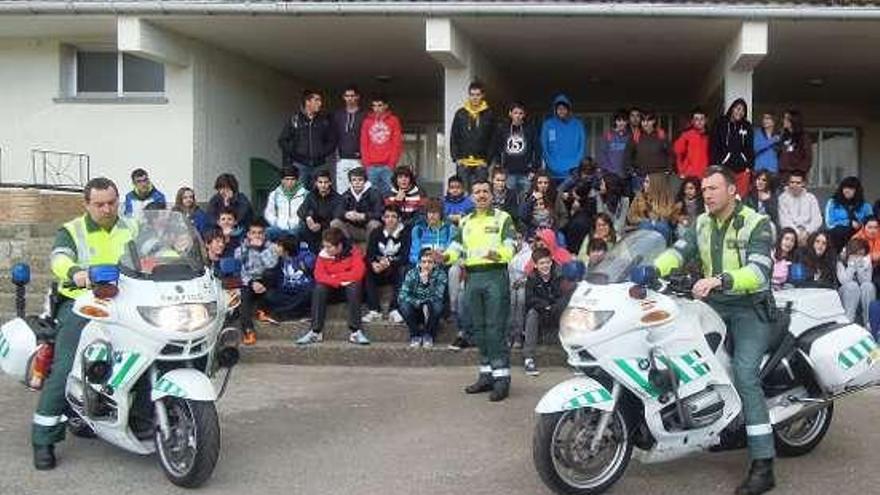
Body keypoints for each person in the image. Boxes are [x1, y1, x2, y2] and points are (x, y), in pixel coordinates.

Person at [653, 165, 777, 495]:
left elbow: (760, 272)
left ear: (732, 191)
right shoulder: (702, 223)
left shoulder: (757, 223)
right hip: (714, 305)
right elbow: (679, 252)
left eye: (713, 188)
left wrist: (720, 280)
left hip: (750, 308)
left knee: (744, 372)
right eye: (704, 188)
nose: (706, 193)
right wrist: (649, 270)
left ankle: (764, 464)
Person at [32, 177, 136, 470]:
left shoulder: (132, 227)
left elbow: (155, 250)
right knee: (65, 366)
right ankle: (44, 439)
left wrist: (174, 255)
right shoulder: (72, 230)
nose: (107, 209)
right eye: (100, 204)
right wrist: (75, 272)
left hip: (124, 302)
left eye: (112, 202)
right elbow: (59, 259)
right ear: (87, 204)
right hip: (80, 302)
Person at [445, 178, 516, 402]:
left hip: (495, 275)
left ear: (491, 194)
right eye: (477, 192)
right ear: (472, 196)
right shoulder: (465, 222)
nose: (482, 195)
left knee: (495, 328)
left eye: (485, 191)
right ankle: (486, 374)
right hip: (473, 278)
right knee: (479, 329)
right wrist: (444, 257)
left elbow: (512, 245)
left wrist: (500, 255)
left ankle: (502, 378)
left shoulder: (503, 218)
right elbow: (456, 248)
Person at [295, 227, 370, 345]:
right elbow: (319, 275)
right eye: (325, 246)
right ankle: (315, 331)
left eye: (329, 247)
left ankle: (356, 331)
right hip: (331, 290)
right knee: (319, 288)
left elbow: (358, 273)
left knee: (355, 286)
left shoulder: (353, 252)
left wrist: (335, 276)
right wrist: (338, 280)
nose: (326, 249)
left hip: (349, 291)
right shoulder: (323, 255)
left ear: (339, 246)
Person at [523, 247, 569, 377]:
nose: (545, 266)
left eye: (547, 262)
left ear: (551, 261)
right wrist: (544, 306)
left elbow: (565, 296)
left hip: (557, 311)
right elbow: (530, 299)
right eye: (541, 263)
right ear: (536, 265)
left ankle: (574, 355)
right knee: (532, 314)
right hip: (541, 312)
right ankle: (529, 358)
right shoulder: (531, 278)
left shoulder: (560, 275)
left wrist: (553, 307)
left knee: (569, 313)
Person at [362, 205, 411, 324]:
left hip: (395, 269)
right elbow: (369, 254)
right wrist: (374, 264)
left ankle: (395, 309)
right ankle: (374, 310)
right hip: (379, 270)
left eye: (394, 216)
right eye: (387, 216)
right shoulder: (376, 232)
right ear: (383, 218)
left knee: (405, 270)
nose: (390, 219)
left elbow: (405, 256)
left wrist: (389, 262)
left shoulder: (405, 233)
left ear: (399, 219)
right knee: (366, 269)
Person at [278, 89, 336, 189]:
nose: (320, 103)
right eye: (316, 100)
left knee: (320, 195)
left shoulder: (324, 121)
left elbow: (332, 141)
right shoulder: (295, 120)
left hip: (319, 165)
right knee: (299, 195)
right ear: (307, 102)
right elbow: (282, 140)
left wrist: (322, 152)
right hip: (300, 165)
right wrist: (295, 153)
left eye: (320, 100)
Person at [236, 218, 280, 345]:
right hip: (249, 282)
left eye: (260, 233)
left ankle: (262, 311)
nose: (257, 235)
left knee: (270, 275)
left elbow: (271, 265)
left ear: (264, 234)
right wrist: (251, 283)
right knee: (243, 296)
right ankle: (248, 331)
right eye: (253, 233)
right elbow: (240, 270)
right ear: (248, 235)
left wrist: (260, 250)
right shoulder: (241, 248)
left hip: (265, 281)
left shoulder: (271, 247)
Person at [256, 234, 316, 322]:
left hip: (302, 291)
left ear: (286, 249)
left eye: (279, 245)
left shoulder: (304, 255)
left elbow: (310, 261)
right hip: (286, 291)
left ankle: (283, 313)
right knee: (269, 295)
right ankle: (297, 312)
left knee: (309, 293)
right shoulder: (280, 259)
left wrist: (305, 265)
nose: (276, 247)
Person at [398, 248, 448, 348]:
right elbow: (402, 295)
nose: (426, 265)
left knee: (438, 306)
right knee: (404, 305)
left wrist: (426, 283)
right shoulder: (412, 273)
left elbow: (438, 295)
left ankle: (428, 335)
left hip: (430, 307)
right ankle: (415, 335)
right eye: (424, 262)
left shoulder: (440, 274)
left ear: (434, 264)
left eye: (430, 262)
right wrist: (417, 302)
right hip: (415, 307)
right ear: (419, 263)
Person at [451, 80, 495, 188]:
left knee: (480, 194)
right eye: (472, 95)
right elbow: (454, 136)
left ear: (483, 95)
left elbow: (493, 139)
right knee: (464, 194)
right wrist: (456, 158)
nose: (475, 97)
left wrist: (487, 160)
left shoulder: (489, 114)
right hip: (463, 163)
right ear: (469, 95)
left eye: (478, 95)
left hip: (481, 163)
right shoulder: (460, 113)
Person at [490, 101, 541, 196]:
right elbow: (496, 147)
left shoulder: (530, 129)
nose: (518, 116)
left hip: (526, 173)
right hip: (508, 173)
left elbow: (537, 150)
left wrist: (534, 169)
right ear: (510, 114)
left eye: (520, 113)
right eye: (515, 113)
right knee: (509, 200)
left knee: (525, 201)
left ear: (524, 115)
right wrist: (498, 165)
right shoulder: (503, 129)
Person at [360, 94, 403, 195]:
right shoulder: (367, 122)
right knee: (370, 194)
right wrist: (366, 164)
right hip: (371, 166)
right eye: (374, 106)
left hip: (387, 166)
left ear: (385, 106)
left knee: (390, 193)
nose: (377, 108)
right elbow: (363, 143)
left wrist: (392, 163)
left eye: (379, 105)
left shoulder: (393, 120)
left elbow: (397, 143)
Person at [711, 98, 754, 197]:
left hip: (742, 170)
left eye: (743, 110)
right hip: (723, 170)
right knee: (724, 198)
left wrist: (749, 166)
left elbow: (750, 148)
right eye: (738, 109)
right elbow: (713, 146)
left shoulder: (747, 126)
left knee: (740, 200)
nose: (740, 112)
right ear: (732, 108)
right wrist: (715, 165)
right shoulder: (720, 123)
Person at [541, 94, 586, 185]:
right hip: (553, 171)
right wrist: (551, 163)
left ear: (568, 109)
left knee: (571, 197)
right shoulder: (548, 124)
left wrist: (576, 164)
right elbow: (544, 145)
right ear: (555, 110)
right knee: (554, 197)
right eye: (559, 108)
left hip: (572, 171)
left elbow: (582, 146)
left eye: (564, 108)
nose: (561, 111)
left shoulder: (577, 124)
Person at [330, 166, 384, 242]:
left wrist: (363, 216)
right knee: (335, 223)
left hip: (368, 228)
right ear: (350, 182)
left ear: (365, 181)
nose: (357, 183)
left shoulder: (374, 194)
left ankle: (370, 251)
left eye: (360, 180)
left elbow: (379, 213)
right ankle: (347, 248)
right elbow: (336, 211)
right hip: (352, 228)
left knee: (374, 224)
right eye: (354, 180)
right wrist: (346, 214)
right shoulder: (346, 195)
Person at [626, 111, 673, 196]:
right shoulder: (636, 136)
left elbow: (670, 154)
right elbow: (628, 155)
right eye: (643, 121)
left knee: (658, 204)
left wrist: (668, 170)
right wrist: (632, 171)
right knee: (641, 205)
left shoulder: (661, 135)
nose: (645, 123)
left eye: (648, 121)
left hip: (658, 176)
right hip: (640, 177)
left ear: (653, 121)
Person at [331, 84, 366, 194]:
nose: (350, 98)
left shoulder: (364, 115)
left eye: (352, 96)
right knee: (342, 190)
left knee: (359, 190)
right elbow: (333, 136)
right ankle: (344, 211)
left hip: (359, 159)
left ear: (357, 97)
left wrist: (364, 157)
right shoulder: (337, 115)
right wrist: (335, 154)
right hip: (342, 158)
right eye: (347, 96)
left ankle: (358, 211)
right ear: (344, 97)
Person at [824, 176, 873, 253]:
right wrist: (848, 223)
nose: (847, 191)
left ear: (857, 191)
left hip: (858, 236)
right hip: (837, 236)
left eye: (851, 189)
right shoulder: (833, 203)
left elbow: (871, 223)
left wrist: (860, 225)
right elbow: (829, 224)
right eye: (845, 188)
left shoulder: (865, 206)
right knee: (838, 231)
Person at [296, 170, 340, 251]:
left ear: (330, 183)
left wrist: (320, 225)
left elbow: (337, 218)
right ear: (316, 183)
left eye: (326, 182)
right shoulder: (311, 195)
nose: (323, 185)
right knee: (298, 230)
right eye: (320, 182)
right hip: (312, 228)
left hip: (327, 229)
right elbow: (300, 210)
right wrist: (308, 218)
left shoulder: (338, 199)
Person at [627, 174, 679, 242]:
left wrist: (653, 209)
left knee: (661, 226)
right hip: (644, 230)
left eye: (647, 182)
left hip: (662, 232)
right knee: (646, 225)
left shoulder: (667, 198)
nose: (644, 184)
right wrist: (643, 220)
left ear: (655, 184)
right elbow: (630, 216)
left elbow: (671, 218)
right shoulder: (639, 197)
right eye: (645, 182)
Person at [264, 165, 308, 241]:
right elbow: (269, 212)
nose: (289, 182)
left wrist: (299, 223)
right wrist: (275, 223)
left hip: (298, 228)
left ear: (297, 180)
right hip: (279, 227)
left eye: (292, 179)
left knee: (293, 234)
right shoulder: (274, 194)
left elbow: (309, 213)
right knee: (267, 232)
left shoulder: (306, 195)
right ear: (282, 180)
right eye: (287, 179)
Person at [837, 237, 875, 325]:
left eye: (862, 254)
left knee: (868, 286)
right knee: (852, 285)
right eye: (857, 254)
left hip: (862, 294)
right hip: (846, 293)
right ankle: (848, 321)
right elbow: (844, 281)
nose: (859, 257)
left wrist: (860, 268)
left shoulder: (866, 261)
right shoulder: (840, 261)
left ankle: (868, 322)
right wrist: (851, 265)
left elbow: (866, 281)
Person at [777, 171, 822, 246]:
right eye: (792, 182)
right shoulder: (782, 198)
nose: (794, 185)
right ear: (788, 183)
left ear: (803, 184)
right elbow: (784, 220)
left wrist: (806, 232)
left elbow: (817, 219)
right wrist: (797, 233)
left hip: (809, 233)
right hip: (790, 232)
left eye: (798, 183)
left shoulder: (811, 198)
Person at [520, 171, 569, 236]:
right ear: (535, 184)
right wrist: (532, 200)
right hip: (533, 230)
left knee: (561, 238)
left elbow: (564, 216)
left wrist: (555, 229)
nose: (543, 185)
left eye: (545, 183)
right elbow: (522, 215)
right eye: (540, 183)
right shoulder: (528, 195)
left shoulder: (555, 195)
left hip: (552, 230)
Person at [673, 107, 711, 180]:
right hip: (689, 175)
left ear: (706, 120)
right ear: (692, 121)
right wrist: (681, 171)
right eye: (696, 119)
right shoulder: (686, 135)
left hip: (705, 176)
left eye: (702, 119)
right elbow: (677, 154)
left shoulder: (710, 137)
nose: (699, 121)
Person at [778, 109, 812, 181]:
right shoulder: (784, 136)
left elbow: (808, 157)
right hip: (783, 176)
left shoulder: (803, 137)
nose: (783, 121)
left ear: (792, 121)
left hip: (797, 176)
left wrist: (799, 172)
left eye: (786, 119)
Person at [597, 110, 631, 179]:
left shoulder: (629, 137)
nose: (621, 123)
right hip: (610, 175)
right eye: (619, 120)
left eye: (624, 120)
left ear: (627, 122)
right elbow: (602, 155)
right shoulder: (608, 135)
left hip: (625, 176)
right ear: (615, 121)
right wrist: (610, 170)